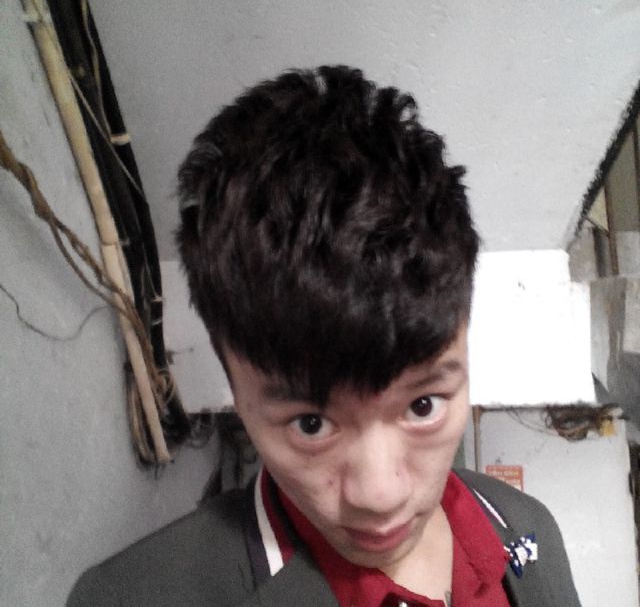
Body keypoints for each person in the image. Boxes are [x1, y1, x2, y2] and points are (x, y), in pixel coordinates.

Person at [67, 65, 581, 607]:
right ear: (235, 394)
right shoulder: (128, 598)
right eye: (311, 424)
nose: (380, 496)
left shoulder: (529, 527)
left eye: (423, 405)